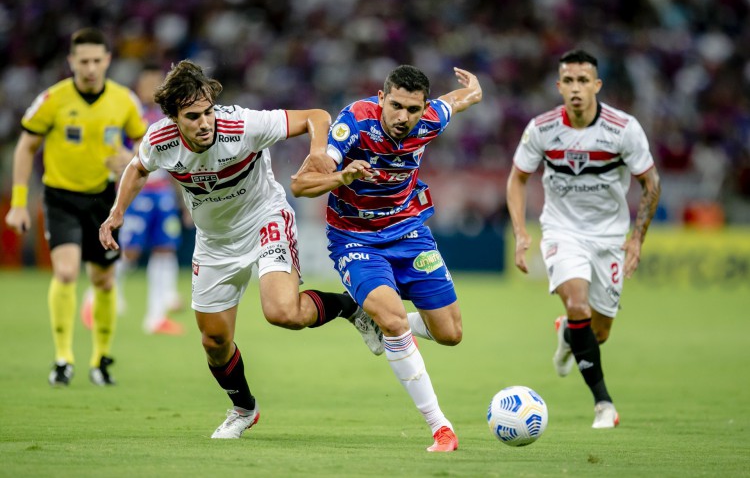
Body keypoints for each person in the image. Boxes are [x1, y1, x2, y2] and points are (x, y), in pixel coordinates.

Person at [98, 60, 383, 439]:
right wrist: (117, 213)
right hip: (215, 242)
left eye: (208, 111)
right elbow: (137, 167)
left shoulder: (242, 125)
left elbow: (316, 115)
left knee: (283, 311)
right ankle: (244, 408)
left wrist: (317, 150)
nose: (205, 122)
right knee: (214, 341)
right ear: (174, 119)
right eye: (193, 116)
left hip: (264, 219)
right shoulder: (159, 139)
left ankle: (351, 308)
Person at [290, 65, 482, 452]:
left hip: (410, 234)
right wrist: (340, 176)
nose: (403, 117)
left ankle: (369, 317)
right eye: (395, 105)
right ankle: (440, 427)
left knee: (450, 334)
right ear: (381, 98)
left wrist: (475, 90)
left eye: (412, 109)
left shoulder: (430, 120)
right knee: (394, 320)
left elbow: (456, 101)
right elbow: (300, 184)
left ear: (423, 108)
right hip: (355, 239)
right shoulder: (353, 125)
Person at [506, 49, 661, 429]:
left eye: (583, 81)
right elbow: (517, 178)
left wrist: (637, 239)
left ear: (597, 85)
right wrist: (522, 232)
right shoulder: (541, 128)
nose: (576, 89)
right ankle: (603, 405)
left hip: (609, 237)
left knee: (599, 332)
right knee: (578, 304)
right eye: (569, 81)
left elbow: (651, 183)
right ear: (559, 87)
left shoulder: (622, 128)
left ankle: (567, 334)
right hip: (562, 231)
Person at [4, 27, 148, 387]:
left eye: (97, 60)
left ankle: (100, 360)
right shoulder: (52, 99)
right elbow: (25, 147)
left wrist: (131, 156)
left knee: (102, 280)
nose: (90, 68)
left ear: (107, 61)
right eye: (83, 61)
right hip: (60, 197)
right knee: (66, 272)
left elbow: (149, 144)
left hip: (104, 199)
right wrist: (19, 203)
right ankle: (63, 358)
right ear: (71, 62)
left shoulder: (124, 101)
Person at [82, 64, 188, 335]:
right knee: (129, 250)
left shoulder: (170, 119)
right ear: (139, 87)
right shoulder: (130, 116)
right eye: (149, 82)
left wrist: (184, 199)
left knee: (165, 249)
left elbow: (177, 161)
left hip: (162, 192)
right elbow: (113, 152)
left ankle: (156, 317)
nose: (154, 88)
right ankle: (94, 299)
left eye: (158, 82)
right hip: (137, 193)